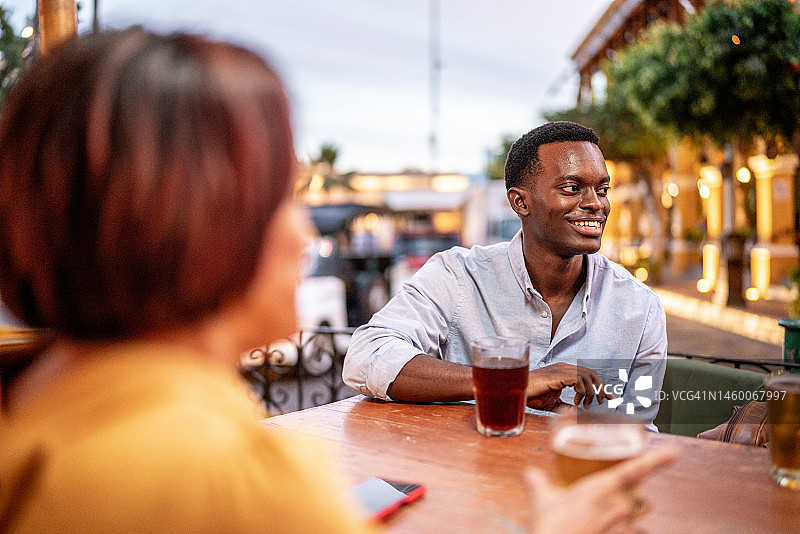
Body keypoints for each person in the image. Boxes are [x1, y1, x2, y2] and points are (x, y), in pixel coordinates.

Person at [0, 30, 673, 533]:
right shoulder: (227, 476)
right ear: (187, 227)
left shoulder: (44, 408)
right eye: (279, 202)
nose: (303, 237)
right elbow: (368, 359)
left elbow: (631, 425)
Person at [343, 121, 668, 428]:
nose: (596, 204)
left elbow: (639, 428)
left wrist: (578, 420)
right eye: (572, 188)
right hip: (468, 475)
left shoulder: (639, 309)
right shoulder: (458, 276)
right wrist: (508, 382)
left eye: (603, 189)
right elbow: (365, 355)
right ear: (520, 202)